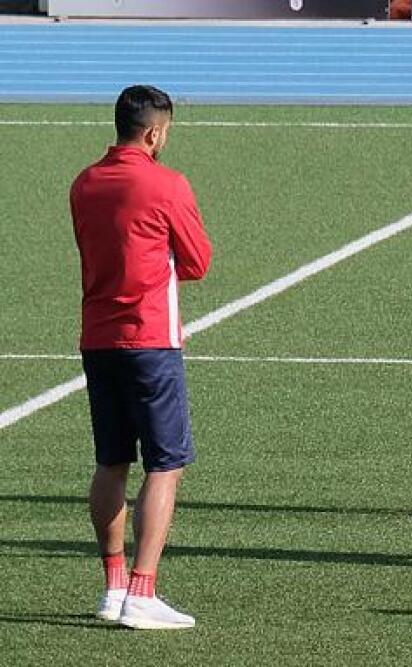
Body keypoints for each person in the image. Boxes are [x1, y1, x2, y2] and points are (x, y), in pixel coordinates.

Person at [71, 85, 212, 629]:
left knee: (111, 460)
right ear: (154, 132)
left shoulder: (84, 183)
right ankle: (143, 591)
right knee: (166, 463)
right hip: (151, 339)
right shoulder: (166, 184)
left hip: (97, 337)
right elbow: (198, 260)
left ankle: (113, 586)